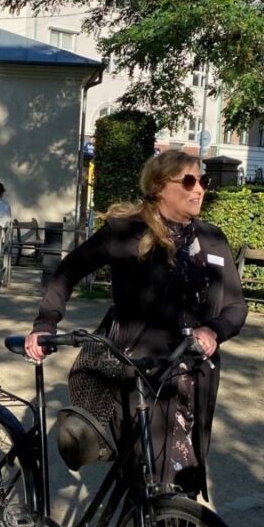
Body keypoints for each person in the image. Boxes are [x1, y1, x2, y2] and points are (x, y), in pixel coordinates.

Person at [24, 150, 247, 499]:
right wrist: (45, 324)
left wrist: (213, 330)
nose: (199, 189)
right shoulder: (127, 231)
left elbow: (236, 305)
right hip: (141, 375)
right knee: (153, 479)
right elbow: (68, 272)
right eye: (188, 181)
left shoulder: (213, 239)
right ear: (160, 187)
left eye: (202, 181)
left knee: (184, 480)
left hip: (195, 380)